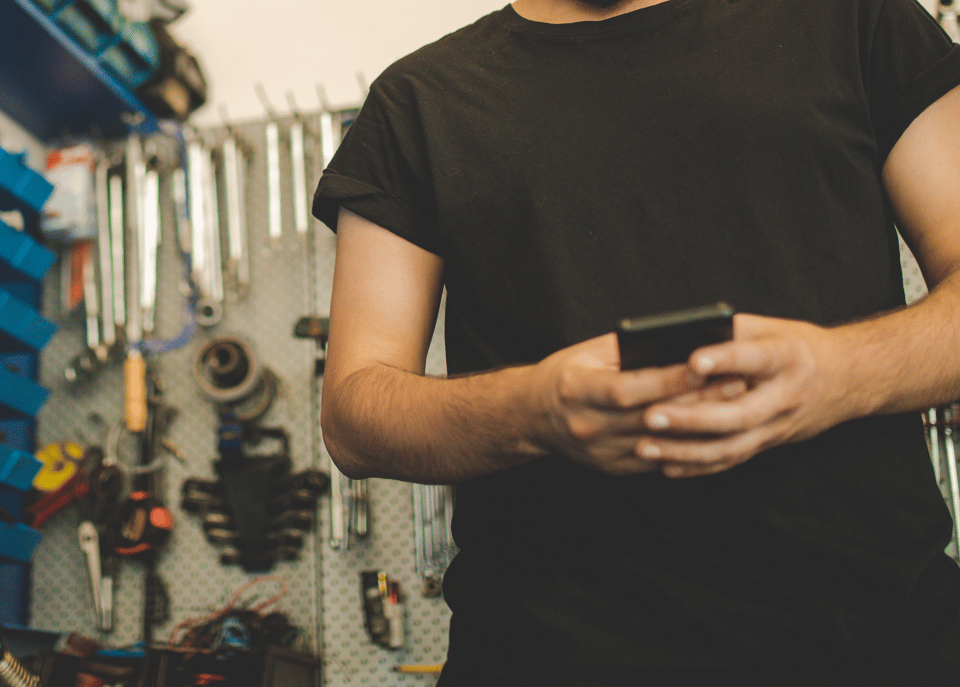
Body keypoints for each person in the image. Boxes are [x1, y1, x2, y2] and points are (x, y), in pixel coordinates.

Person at [312, 0, 960, 683]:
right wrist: (538, 407)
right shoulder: (416, 102)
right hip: (546, 656)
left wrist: (836, 373)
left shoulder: (853, 19)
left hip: (881, 646)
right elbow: (354, 416)